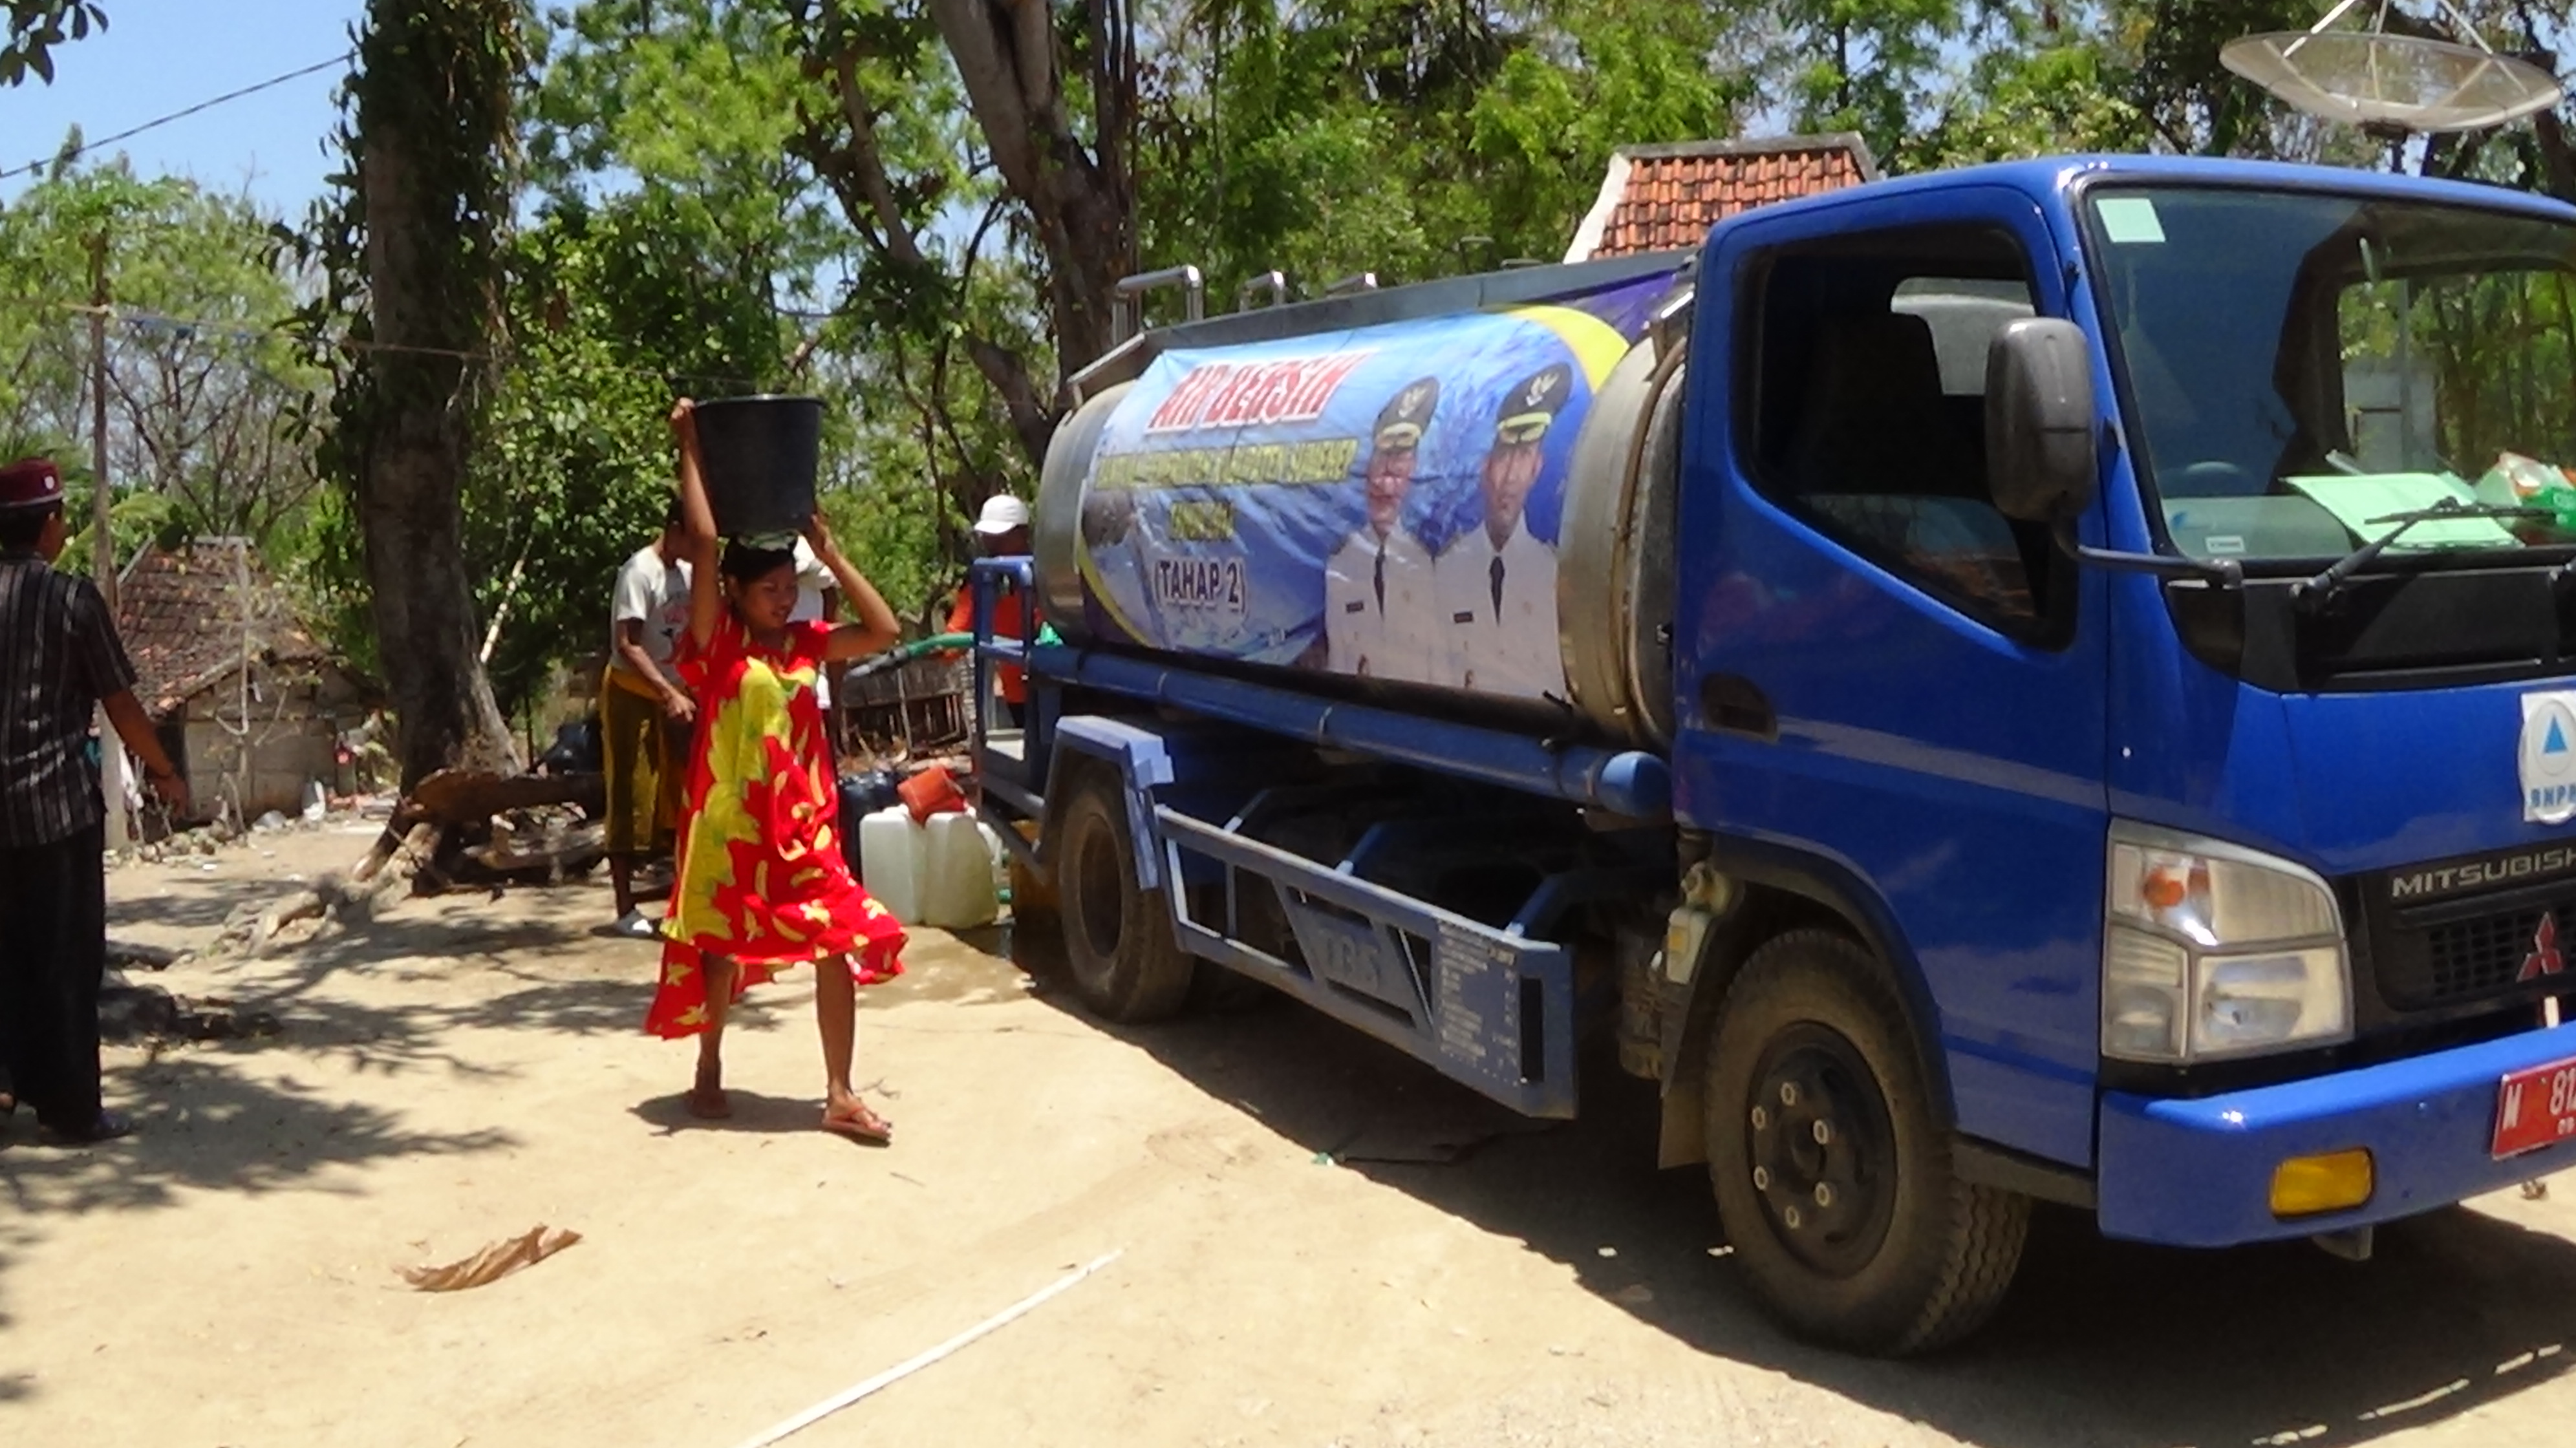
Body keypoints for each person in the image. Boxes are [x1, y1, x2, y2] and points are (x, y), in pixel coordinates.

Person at [646, 398, 907, 1145]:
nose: (784, 598)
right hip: (731, 826)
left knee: (840, 936)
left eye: (790, 587)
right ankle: (708, 1063)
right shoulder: (716, 643)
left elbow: (885, 629)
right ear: (735, 590)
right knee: (719, 949)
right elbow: (704, 541)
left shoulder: (804, 643)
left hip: (804, 827)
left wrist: (832, 554)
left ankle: (840, 1093)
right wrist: (691, 446)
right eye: (770, 589)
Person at [0, 457, 188, 1144]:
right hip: (56, 809)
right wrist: (164, 770)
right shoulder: (72, 601)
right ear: (50, 526)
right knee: (67, 960)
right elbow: (120, 703)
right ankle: (73, 1107)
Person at [1435, 362, 1572, 699]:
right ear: (1486, 468)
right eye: (1504, 456)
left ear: (1537, 468)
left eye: (1523, 456)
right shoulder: (1445, 571)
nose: (1511, 476)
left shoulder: (1554, 572)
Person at [603, 502, 696, 938]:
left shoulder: (690, 574)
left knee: (683, 793)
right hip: (634, 693)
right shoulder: (639, 572)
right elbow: (628, 643)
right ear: (675, 530)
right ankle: (625, 907)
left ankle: (684, 897)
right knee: (631, 794)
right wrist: (666, 691)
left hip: (678, 693)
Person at [1325, 378, 1440, 681]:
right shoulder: (1342, 564)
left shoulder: (1427, 565)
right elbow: (1338, 662)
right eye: (1382, 455)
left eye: (1400, 456)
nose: (1386, 476)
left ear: (1414, 468)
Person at [946, 493, 1033, 728]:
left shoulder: (1052, 577)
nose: (992, 543)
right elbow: (953, 642)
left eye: (1001, 536)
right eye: (988, 536)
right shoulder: (982, 580)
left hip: (1062, 685)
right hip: (1019, 695)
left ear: (1023, 533)